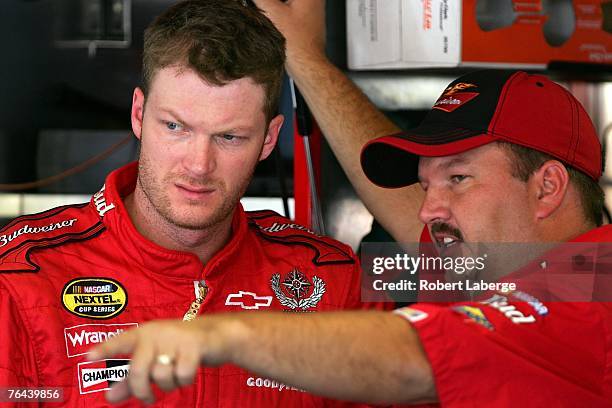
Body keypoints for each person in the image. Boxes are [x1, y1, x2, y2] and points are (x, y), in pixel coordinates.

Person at [93, 69, 612, 407]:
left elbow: (413, 358)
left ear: (547, 188)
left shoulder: (592, 288)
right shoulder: (486, 264)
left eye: (458, 178)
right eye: (427, 184)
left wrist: (222, 335)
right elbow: (411, 228)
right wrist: (307, 56)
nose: (429, 210)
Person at [0, 1, 387, 406]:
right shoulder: (22, 275)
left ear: (269, 140)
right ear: (138, 114)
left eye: (230, 137)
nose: (199, 165)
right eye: (176, 127)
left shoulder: (332, 280)